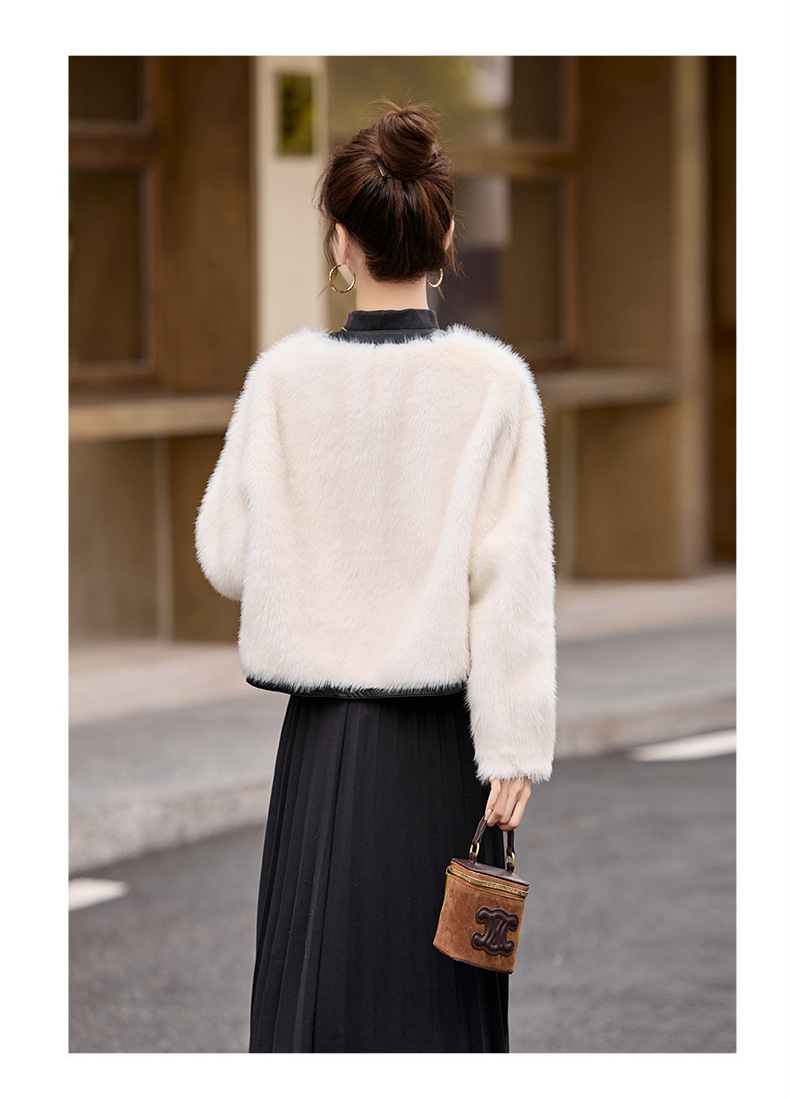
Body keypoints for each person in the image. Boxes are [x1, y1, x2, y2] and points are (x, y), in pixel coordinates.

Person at [195, 101, 557, 1054]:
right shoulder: (493, 383)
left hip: (322, 739)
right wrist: (514, 746)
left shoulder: (283, 380)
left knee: (316, 993)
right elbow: (512, 582)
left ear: (340, 241)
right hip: (439, 744)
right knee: (434, 1007)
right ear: (445, 236)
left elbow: (227, 555)